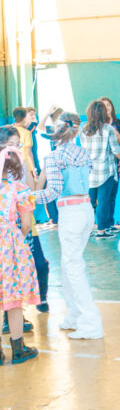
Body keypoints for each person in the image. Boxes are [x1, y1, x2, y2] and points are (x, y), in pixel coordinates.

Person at [33, 113, 104, 340]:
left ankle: (90, 323)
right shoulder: (82, 152)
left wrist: (26, 196)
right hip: (86, 209)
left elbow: (52, 192)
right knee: (68, 263)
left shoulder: (54, 157)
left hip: (70, 212)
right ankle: (73, 315)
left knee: (73, 266)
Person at [0, 142, 40, 366]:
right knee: (13, 299)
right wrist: (16, 236)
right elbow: (26, 223)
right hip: (10, 248)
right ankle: (18, 349)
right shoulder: (19, 189)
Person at [80, 99, 120, 238]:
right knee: (103, 202)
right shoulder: (107, 129)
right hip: (105, 171)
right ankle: (101, 230)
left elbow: (83, 150)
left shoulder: (84, 129)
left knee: (89, 203)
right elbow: (115, 149)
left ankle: (86, 230)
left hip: (89, 172)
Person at [100, 97, 120, 229]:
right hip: (101, 164)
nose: (106, 107)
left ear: (112, 107)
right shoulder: (98, 123)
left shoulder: (119, 123)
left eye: (108, 105)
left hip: (115, 162)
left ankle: (110, 224)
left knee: (112, 194)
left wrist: (115, 133)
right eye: (103, 105)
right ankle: (102, 224)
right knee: (102, 196)